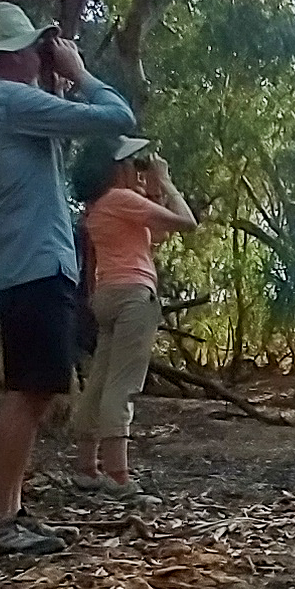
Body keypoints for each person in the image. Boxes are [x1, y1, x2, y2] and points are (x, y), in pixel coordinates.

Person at [0, 1, 136, 558]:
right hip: (34, 262)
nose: (41, 54)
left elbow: (56, 133)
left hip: (18, 262)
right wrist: (78, 73)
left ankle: (8, 510)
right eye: (34, 46)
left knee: (33, 387)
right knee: (29, 391)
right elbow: (115, 117)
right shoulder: (5, 100)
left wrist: (52, 81)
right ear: (8, 56)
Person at [70, 136, 197, 498]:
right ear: (117, 169)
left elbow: (154, 236)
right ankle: (118, 475)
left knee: (100, 380)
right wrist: (167, 181)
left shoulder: (99, 207)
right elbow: (187, 223)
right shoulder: (121, 200)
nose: (138, 168)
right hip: (133, 295)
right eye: (132, 163)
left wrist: (153, 191)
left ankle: (86, 467)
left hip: (108, 294)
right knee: (122, 384)